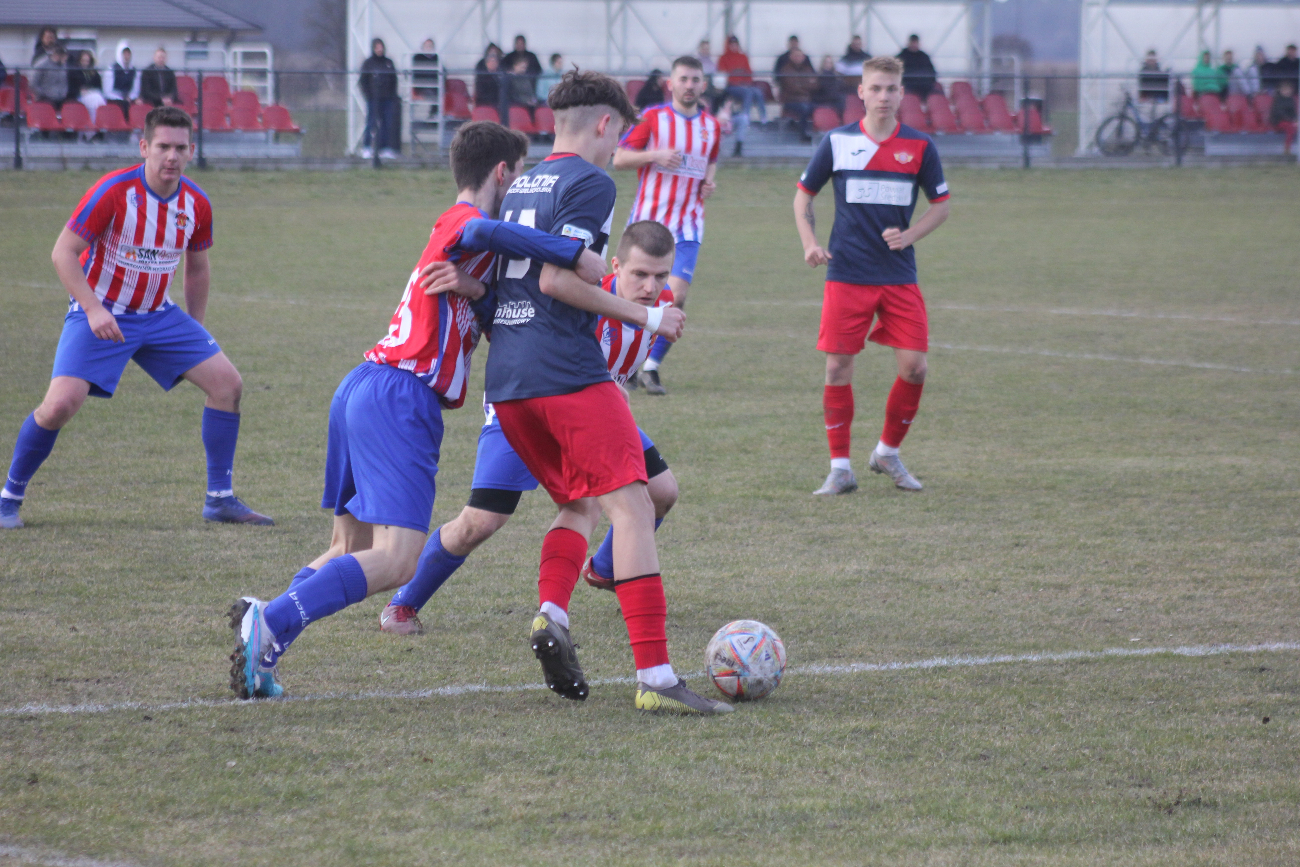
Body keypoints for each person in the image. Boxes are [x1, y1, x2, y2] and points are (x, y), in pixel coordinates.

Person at [226, 121, 608, 699]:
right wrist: (572, 251)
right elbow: (481, 228)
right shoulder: (461, 222)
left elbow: (489, 313)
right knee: (398, 560)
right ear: (502, 173)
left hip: (366, 385)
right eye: (520, 174)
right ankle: (272, 621)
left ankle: (267, 637)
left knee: (347, 549)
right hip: (400, 395)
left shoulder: (469, 256)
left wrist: (476, 291)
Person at [484, 69, 728, 715]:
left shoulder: (521, 183)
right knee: (635, 509)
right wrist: (648, 317)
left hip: (508, 379)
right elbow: (557, 284)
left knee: (578, 503)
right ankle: (655, 675)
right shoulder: (590, 181)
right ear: (605, 125)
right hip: (564, 369)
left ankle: (551, 614)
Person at [379, 221, 682, 634]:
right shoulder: (582, 298)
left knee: (661, 492)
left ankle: (607, 569)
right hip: (528, 405)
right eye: (639, 274)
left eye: (660, 276)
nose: (650, 286)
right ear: (614, 265)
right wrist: (476, 289)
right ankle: (403, 603)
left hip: (594, 414)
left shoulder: (660, 304)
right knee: (480, 522)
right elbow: (517, 320)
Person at [0, 107, 273, 531]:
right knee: (58, 406)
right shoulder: (113, 192)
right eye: (163, 146)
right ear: (144, 146)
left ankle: (220, 499)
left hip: (159, 315)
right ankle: (8, 497)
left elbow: (197, 267)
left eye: (180, 148)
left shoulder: (196, 203)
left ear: (191, 151)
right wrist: (92, 309)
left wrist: (195, 327)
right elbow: (62, 252)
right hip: (101, 310)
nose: (171, 156)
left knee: (228, 385)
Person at [792, 56, 951, 496]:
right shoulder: (837, 142)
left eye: (891, 89)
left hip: (899, 275)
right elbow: (802, 196)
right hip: (847, 273)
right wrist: (809, 241)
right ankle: (840, 468)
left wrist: (911, 234)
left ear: (902, 94)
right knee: (838, 367)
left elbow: (941, 205)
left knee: (915, 368)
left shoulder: (920, 146)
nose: (883, 96)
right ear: (860, 92)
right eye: (875, 88)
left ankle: (887, 452)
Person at [613, 56, 722, 396]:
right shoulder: (653, 119)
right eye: (683, 79)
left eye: (695, 79)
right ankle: (624, 362)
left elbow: (711, 161)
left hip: (687, 225)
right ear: (671, 84)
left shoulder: (711, 126)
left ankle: (651, 367)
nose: (689, 85)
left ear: (703, 85)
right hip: (648, 222)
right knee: (633, 294)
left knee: (675, 295)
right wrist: (654, 155)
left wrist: (708, 183)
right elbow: (619, 158)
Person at [717, 35, 766, 156]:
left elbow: (749, 73)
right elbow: (724, 75)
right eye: (731, 44)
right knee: (748, 92)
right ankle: (746, 115)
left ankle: (763, 118)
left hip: (744, 85)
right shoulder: (723, 58)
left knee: (757, 92)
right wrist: (737, 77)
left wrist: (745, 80)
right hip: (732, 86)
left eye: (735, 44)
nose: (734, 46)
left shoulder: (743, 56)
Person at [359, 38, 400, 159]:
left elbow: (394, 80)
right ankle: (366, 147)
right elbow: (363, 81)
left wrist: (392, 95)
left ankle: (385, 148)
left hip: (387, 99)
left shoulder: (388, 62)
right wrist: (368, 95)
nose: (379, 49)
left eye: (381, 47)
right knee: (371, 122)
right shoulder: (368, 63)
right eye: (377, 47)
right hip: (373, 99)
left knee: (386, 123)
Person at [776, 47, 817, 140]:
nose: (798, 58)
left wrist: (801, 85)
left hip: (807, 100)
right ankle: (803, 135)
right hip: (791, 100)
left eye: (800, 56)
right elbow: (791, 87)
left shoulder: (807, 69)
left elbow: (815, 84)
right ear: (791, 57)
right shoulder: (785, 70)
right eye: (796, 56)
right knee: (804, 108)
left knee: (819, 107)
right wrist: (806, 86)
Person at [105, 42, 139, 122]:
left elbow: (135, 89)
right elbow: (107, 91)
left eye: (128, 54)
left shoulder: (134, 70)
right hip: (114, 98)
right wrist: (121, 97)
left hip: (129, 99)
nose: (126, 56)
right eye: (124, 53)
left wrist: (130, 97)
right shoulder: (111, 69)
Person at [896, 34, 936, 98]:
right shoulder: (901, 57)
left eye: (915, 42)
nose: (914, 44)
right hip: (907, 85)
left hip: (924, 85)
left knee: (936, 94)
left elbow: (932, 71)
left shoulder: (924, 57)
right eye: (912, 42)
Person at [71, 50, 107, 120]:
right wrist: (80, 90)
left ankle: (99, 122)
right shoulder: (74, 72)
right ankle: (93, 123)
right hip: (80, 96)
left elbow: (99, 87)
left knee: (98, 99)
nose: (85, 63)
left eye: (87, 61)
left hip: (93, 93)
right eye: (83, 61)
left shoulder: (94, 73)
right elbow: (72, 88)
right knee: (95, 100)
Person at [411, 38, 440, 120]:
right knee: (435, 93)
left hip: (434, 86)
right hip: (421, 86)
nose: (428, 47)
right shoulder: (418, 57)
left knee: (440, 92)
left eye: (430, 46)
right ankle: (432, 115)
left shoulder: (436, 58)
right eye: (427, 45)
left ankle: (434, 115)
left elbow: (441, 72)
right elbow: (417, 74)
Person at [474, 45, 504, 118]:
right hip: (485, 101)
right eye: (491, 61)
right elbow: (480, 92)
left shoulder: (500, 76)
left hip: (499, 102)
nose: (493, 63)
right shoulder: (482, 76)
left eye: (495, 61)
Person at [1269, 79, 1297, 154]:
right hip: (1278, 121)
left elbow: (1294, 112)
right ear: (1281, 90)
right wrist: (1291, 121)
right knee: (1291, 127)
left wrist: (1296, 120)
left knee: (1294, 126)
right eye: (1285, 89)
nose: (1287, 91)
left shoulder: (1291, 99)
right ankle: (1287, 148)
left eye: (1288, 89)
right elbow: (1279, 113)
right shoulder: (1278, 100)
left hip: (1289, 120)